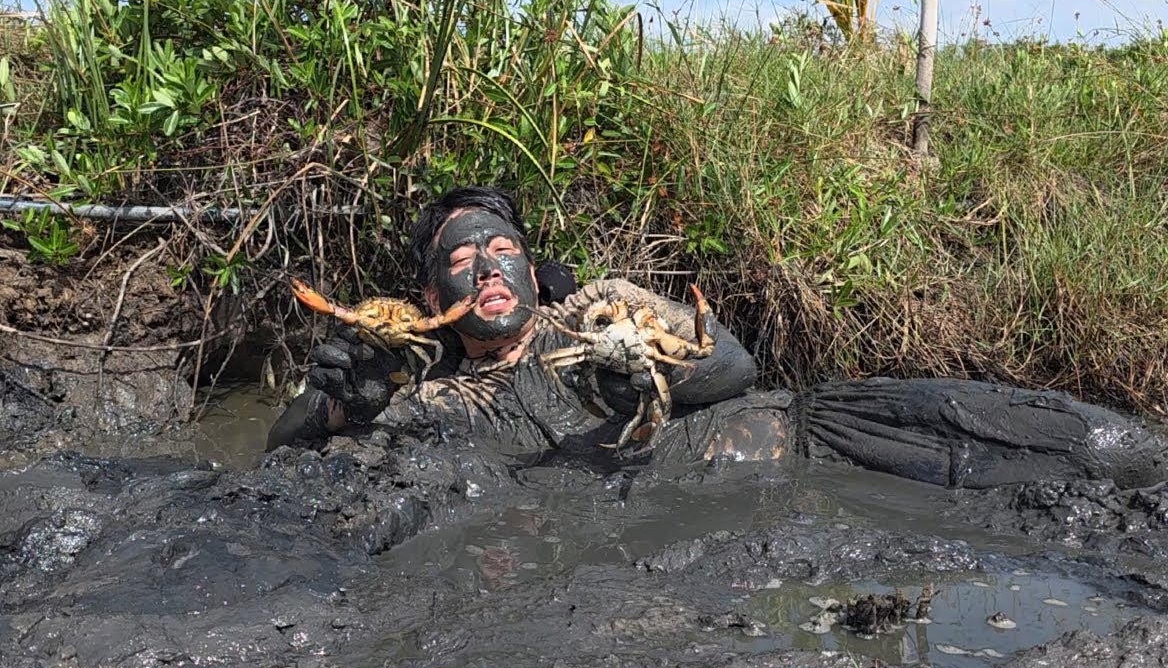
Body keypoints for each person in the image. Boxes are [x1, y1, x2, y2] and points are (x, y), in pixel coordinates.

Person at [269, 186, 1168, 489]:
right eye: (464, 258)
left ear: (533, 269)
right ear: (430, 292)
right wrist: (331, 403)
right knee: (993, 481)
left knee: (1075, 436)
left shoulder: (600, 309)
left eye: (505, 249)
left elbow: (739, 365)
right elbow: (289, 460)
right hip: (765, 495)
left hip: (814, 429)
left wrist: (640, 379)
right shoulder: (426, 394)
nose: (489, 266)